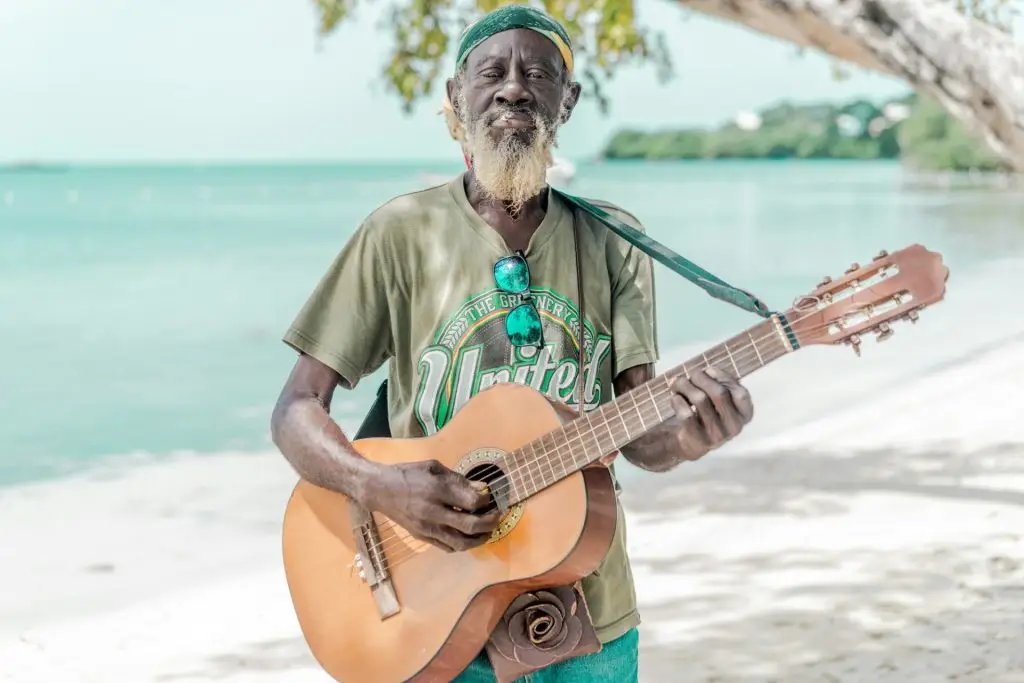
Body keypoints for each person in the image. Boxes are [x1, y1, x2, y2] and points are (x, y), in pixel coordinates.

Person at [270, 6, 755, 682]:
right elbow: (295, 409)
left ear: (568, 100)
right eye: (492, 72)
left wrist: (689, 436)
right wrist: (379, 485)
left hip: (593, 620)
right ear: (455, 97)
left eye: (538, 74)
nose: (514, 88)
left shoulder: (615, 240)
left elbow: (640, 428)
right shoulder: (398, 234)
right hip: (436, 612)